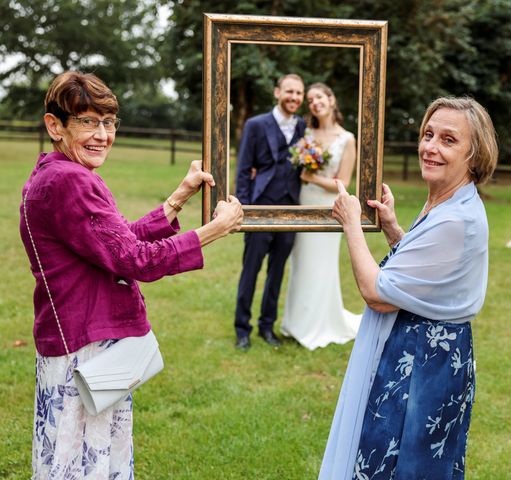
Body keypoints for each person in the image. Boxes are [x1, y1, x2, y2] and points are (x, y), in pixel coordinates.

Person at [20, 71, 243, 479]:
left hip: (73, 338)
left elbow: (113, 245)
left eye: (108, 122)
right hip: (83, 348)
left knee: (74, 458)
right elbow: (135, 259)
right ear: (55, 125)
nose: (101, 134)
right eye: (87, 121)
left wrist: (179, 197)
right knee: (81, 464)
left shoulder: (53, 172)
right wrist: (214, 229)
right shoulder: (71, 181)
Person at [320, 96, 498, 479]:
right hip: (428, 351)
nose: (430, 147)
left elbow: (377, 293)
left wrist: (351, 223)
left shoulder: (457, 217)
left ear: (474, 153)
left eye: (449, 140)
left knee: (403, 460)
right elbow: (430, 276)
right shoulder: (449, 203)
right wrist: (393, 231)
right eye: (428, 134)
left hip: (423, 358)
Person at [280, 83, 362, 349]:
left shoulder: (347, 139)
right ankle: (295, 323)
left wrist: (311, 176)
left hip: (329, 208)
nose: (315, 102)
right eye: (311, 99)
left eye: (320, 97)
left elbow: (344, 182)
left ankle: (321, 323)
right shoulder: (305, 133)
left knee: (322, 265)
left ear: (331, 99)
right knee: (301, 262)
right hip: (304, 203)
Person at [233, 73, 306, 350]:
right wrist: (244, 209)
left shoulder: (302, 128)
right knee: (250, 270)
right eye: (289, 91)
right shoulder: (255, 125)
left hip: (291, 209)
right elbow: (243, 169)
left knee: (277, 272)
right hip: (260, 206)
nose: (294, 98)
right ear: (277, 92)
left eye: (298, 93)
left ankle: (267, 326)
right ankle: (242, 328)